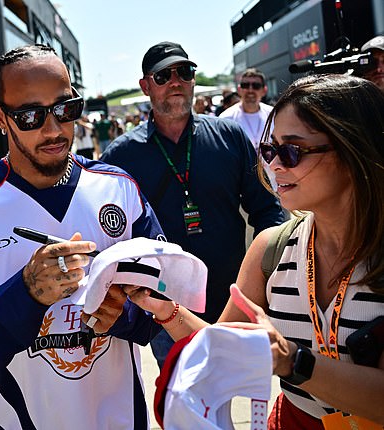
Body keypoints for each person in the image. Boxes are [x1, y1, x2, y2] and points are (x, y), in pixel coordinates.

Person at [0, 44, 166, 429]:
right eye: (30, 115)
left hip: (119, 418)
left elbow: (164, 297)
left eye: (66, 109)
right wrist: (27, 292)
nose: (52, 130)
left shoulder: (119, 189)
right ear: (0, 116)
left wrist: (123, 313)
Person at [127, 74, 384, 428]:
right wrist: (164, 308)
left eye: (293, 151)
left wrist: (293, 361)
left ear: (353, 149)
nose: (275, 164)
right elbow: (222, 350)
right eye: (270, 149)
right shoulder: (272, 249)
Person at [101, 41, 284, 368]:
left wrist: (268, 273)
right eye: (163, 75)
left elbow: (266, 209)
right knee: (181, 401)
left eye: (184, 72)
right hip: (165, 307)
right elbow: (109, 233)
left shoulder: (230, 136)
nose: (175, 81)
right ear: (145, 86)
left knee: (230, 391)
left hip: (232, 297)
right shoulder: (121, 156)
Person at [219, 68, 273, 151]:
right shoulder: (225, 118)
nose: (250, 90)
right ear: (239, 89)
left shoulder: (274, 115)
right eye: (245, 85)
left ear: (264, 90)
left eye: (256, 86)